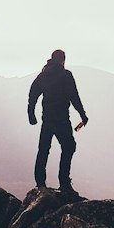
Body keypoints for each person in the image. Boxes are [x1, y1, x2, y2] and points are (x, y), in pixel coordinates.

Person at [27, 49, 88, 193]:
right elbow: (74, 96)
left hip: (47, 119)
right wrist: (83, 115)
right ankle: (64, 183)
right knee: (69, 147)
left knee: (43, 149)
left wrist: (31, 115)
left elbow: (33, 95)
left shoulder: (43, 75)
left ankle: (40, 183)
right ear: (63, 60)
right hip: (61, 120)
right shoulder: (65, 75)